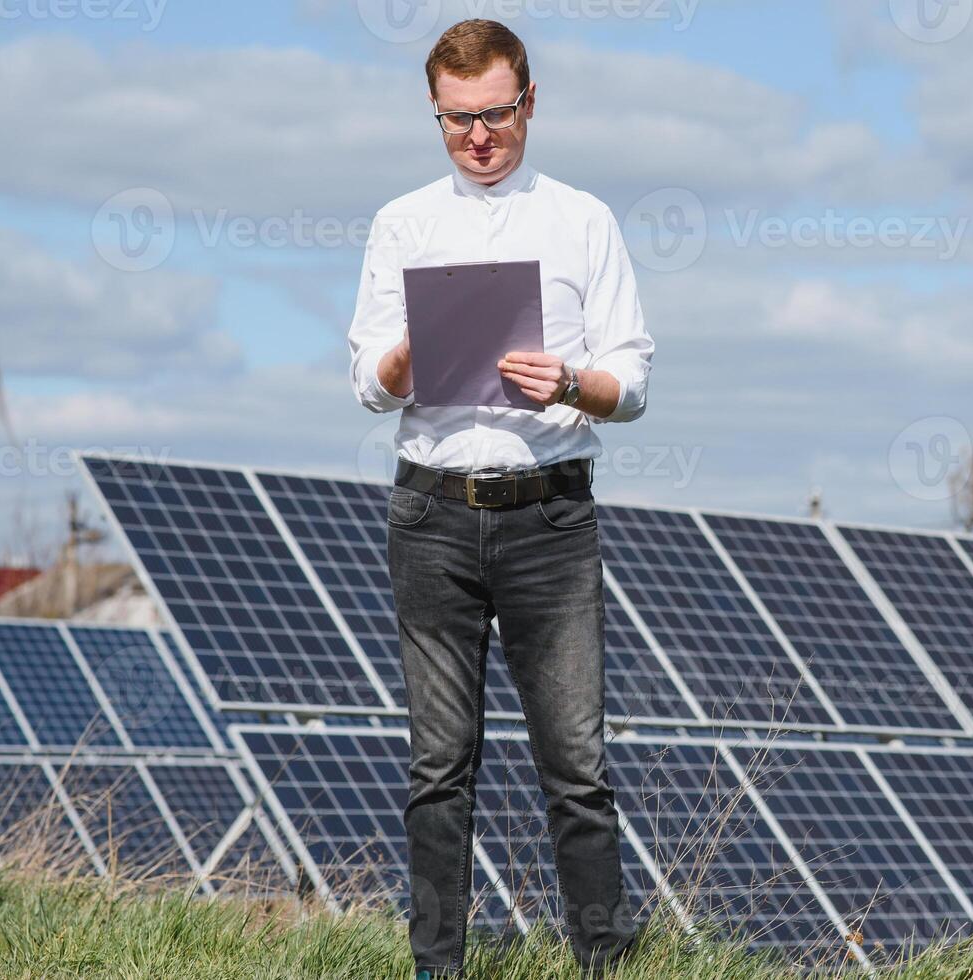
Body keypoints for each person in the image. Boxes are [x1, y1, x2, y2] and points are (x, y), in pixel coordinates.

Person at [345, 18, 652, 979]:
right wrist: (410, 354)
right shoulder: (402, 222)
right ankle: (438, 965)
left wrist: (567, 384)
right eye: (456, 120)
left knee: (576, 766)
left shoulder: (584, 220)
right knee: (439, 768)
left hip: (549, 519)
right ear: (435, 113)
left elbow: (633, 382)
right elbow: (366, 375)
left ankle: (601, 959)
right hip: (431, 516)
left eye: (497, 114)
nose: (479, 137)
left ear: (531, 101)